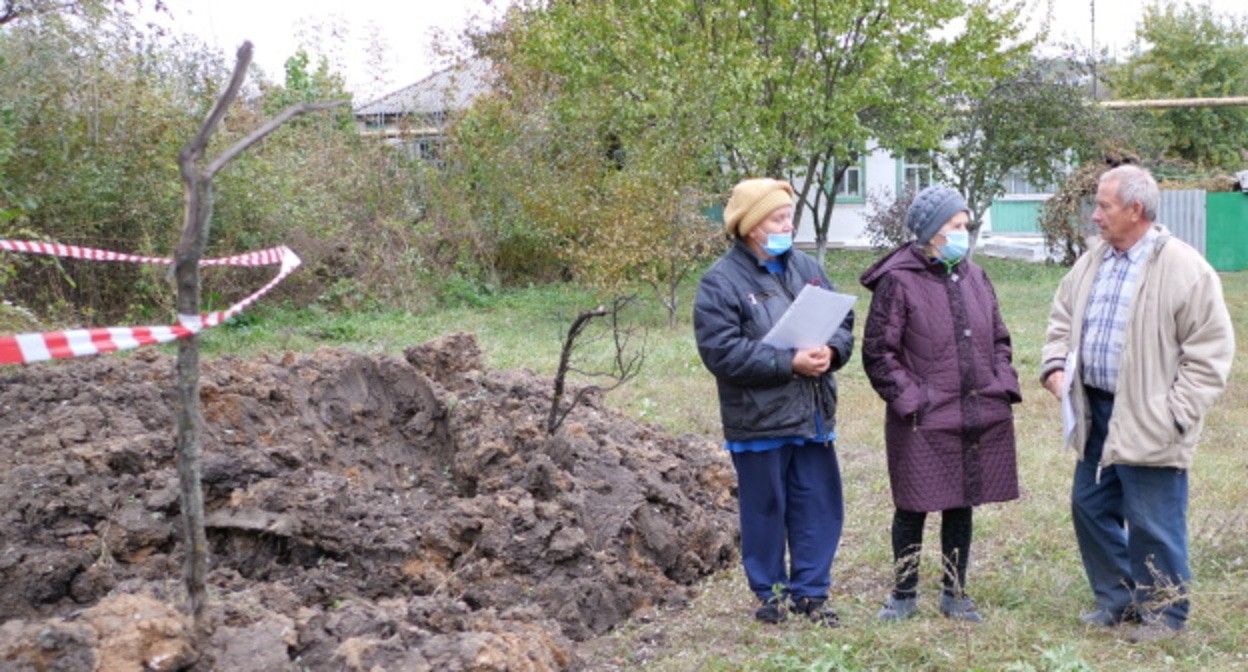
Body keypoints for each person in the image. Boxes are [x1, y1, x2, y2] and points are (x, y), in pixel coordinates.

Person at [1041, 164, 1234, 643]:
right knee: (1089, 507)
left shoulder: (1185, 269)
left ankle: (1166, 617)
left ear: (1135, 209)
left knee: (1153, 521)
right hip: (1095, 412)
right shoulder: (1092, 261)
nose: (1094, 216)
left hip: (1150, 419)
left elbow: (1210, 353)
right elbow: (1062, 318)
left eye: (1103, 206)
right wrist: (1055, 366)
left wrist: (1175, 414)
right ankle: (1119, 600)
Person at [693, 177, 855, 626]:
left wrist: (832, 350)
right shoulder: (720, 283)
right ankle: (772, 595)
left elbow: (842, 319)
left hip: (812, 414)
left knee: (818, 506)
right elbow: (721, 352)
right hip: (759, 421)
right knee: (766, 511)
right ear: (750, 226)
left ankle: (812, 594)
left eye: (789, 215)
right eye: (778, 217)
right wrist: (789, 363)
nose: (788, 224)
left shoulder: (807, 268)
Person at [859, 185, 1021, 623]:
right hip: (922, 418)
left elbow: (1000, 339)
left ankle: (955, 592)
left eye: (965, 226)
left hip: (974, 411)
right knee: (912, 504)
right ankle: (903, 593)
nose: (963, 234)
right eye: (955, 226)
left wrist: (1000, 383)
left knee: (961, 502)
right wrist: (914, 401)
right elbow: (879, 353)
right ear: (931, 232)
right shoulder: (898, 280)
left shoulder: (975, 276)